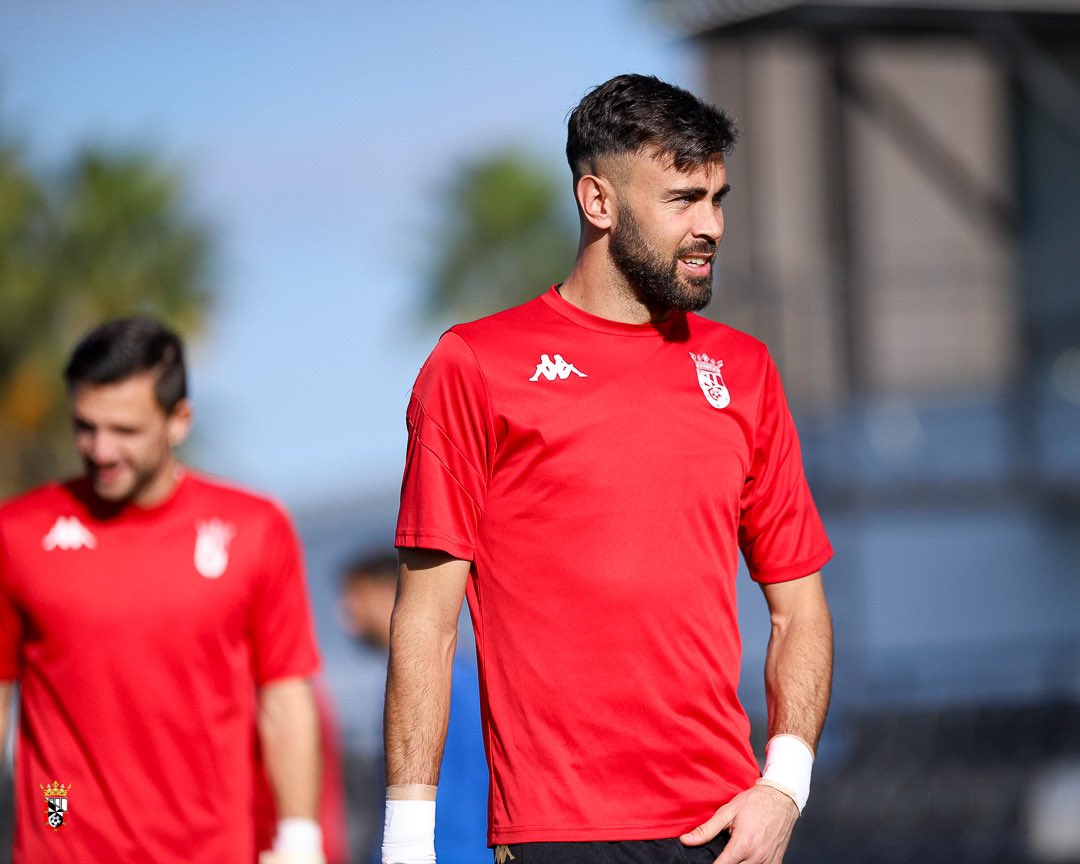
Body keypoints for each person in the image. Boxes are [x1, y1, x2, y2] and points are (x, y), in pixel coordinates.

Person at [382, 73, 834, 864]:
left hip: (726, 829)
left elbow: (798, 609)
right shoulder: (476, 364)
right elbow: (426, 619)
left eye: (718, 198)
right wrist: (407, 845)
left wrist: (785, 787)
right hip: (561, 832)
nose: (712, 226)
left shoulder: (746, 370)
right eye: (683, 199)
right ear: (598, 202)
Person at [0, 317, 327, 864]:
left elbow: (285, 696)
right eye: (86, 426)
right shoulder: (18, 535)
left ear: (180, 421)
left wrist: (300, 840)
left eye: (125, 431)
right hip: (61, 835)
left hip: (209, 850)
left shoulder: (254, 528)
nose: (101, 449)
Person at [341, 552, 488, 864]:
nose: (347, 619)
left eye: (355, 597)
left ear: (385, 594)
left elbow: (452, 792)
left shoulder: (432, 688)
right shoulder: (460, 676)